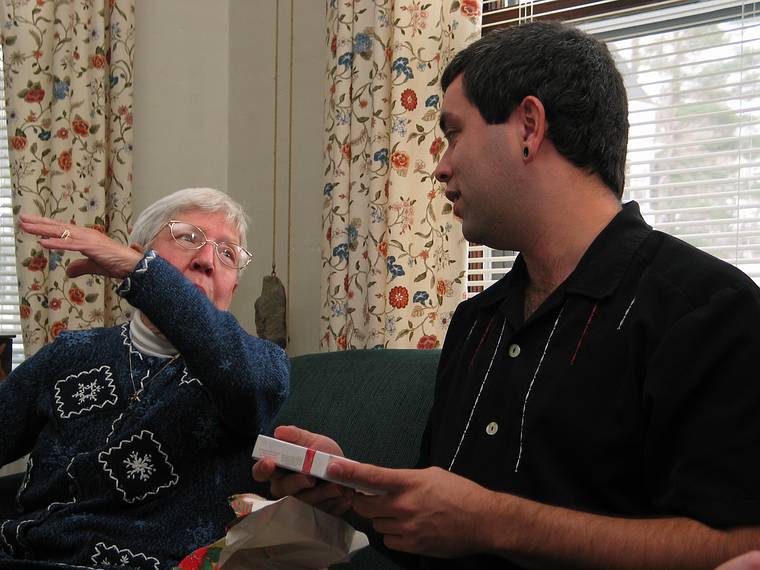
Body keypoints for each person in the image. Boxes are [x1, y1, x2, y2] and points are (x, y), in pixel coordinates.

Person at [254, 21, 760, 569]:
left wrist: (494, 523)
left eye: (453, 133)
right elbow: (441, 522)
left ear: (528, 126)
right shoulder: (477, 321)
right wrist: (354, 494)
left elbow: (741, 544)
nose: (440, 168)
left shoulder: (707, 309)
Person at [0, 188, 289, 569]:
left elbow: (247, 382)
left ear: (232, 288)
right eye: (187, 236)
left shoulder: (261, 365)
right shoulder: (70, 352)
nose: (206, 260)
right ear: (138, 252)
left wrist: (141, 273)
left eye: (228, 253)